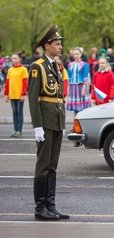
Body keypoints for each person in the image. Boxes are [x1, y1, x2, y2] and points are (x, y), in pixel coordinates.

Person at [28, 25, 68, 221]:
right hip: (45, 122)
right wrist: (37, 126)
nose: (60, 47)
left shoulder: (56, 66)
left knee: (52, 166)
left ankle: (50, 206)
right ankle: (40, 207)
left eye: (60, 44)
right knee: (43, 166)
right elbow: (33, 98)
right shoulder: (38, 66)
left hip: (57, 120)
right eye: (57, 44)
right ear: (47, 45)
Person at [4, 53, 28, 137]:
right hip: (12, 94)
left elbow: (25, 83)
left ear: (19, 59)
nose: (13, 60)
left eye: (15, 58)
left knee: (19, 112)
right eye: (12, 58)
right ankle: (15, 130)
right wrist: (6, 94)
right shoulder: (10, 70)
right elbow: (7, 83)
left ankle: (19, 130)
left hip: (20, 95)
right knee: (14, 112)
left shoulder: (23, 69)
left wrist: (23, 94)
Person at [66, 47, 91, 117]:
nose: (76, 56)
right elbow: (69, 77)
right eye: (74, 54)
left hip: (81, 86)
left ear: (81, 54)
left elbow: (85, 77)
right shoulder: (70, 65)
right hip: (73, 87)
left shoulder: (85, 65)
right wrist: (68, 88)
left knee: (82, 106)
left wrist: (83, 88)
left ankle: (82, 124)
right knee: (75, 107)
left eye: (77, 54)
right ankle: (75, 124)